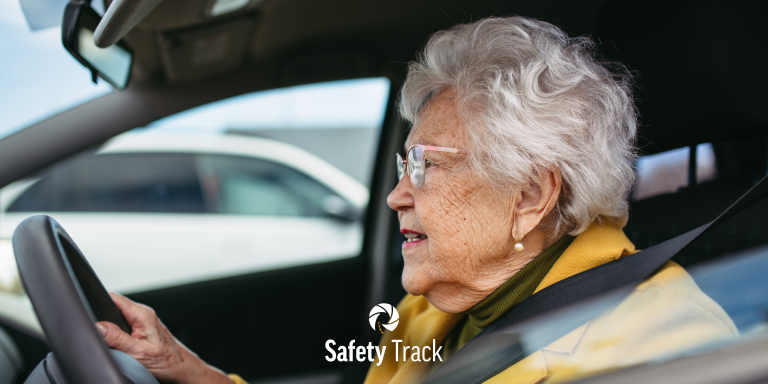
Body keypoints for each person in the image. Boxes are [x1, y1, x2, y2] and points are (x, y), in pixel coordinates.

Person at [96, 16, 738, 384]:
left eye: (425, 167)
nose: (397, 195)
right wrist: (185, 370)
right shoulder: (432, 311)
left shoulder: (662, 345)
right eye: (406, 164)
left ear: (530, 196)